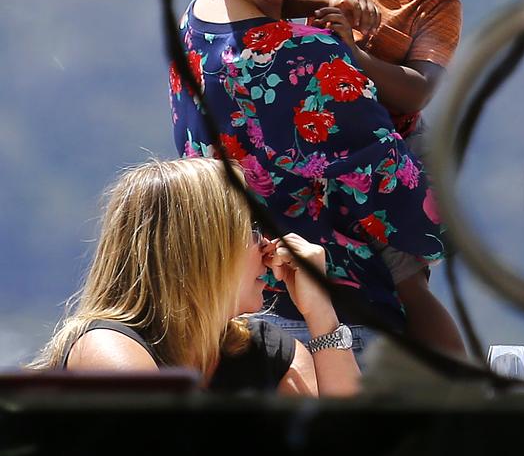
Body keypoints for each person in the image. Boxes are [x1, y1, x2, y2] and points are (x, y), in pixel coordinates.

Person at [160, 0, 463, 361]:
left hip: (237, 332)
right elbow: (420, 217)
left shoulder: (192, 31)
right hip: (339, 336)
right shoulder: (307, 57)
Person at [283, 0, 511, 351]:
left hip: (399, 155)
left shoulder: (436, 9)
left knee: (406, 284)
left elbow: (418, 87)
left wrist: (352, 53)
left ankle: (461, 391)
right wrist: (330, 2)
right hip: (336, 153)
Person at [27, 157, 360, 397]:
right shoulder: (108, 348)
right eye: (251, 229)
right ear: (202, 249)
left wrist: (320, 312)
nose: (268, 245)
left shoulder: (264, 350)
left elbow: (354, 450)